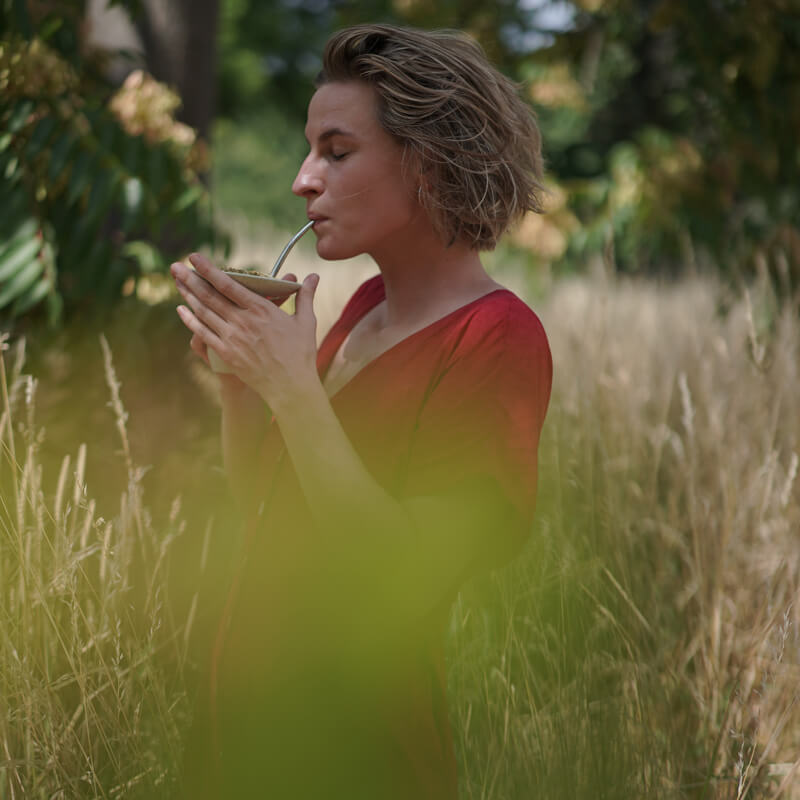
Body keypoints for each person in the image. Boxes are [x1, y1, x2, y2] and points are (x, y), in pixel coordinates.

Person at [170, 22, 552, 800]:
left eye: (336, 152)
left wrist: (292, 389)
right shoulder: (365, 307)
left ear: (430, 161)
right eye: (310, 150)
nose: (302, 180)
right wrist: (244, 379)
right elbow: (269, 511)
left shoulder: (498, 339)